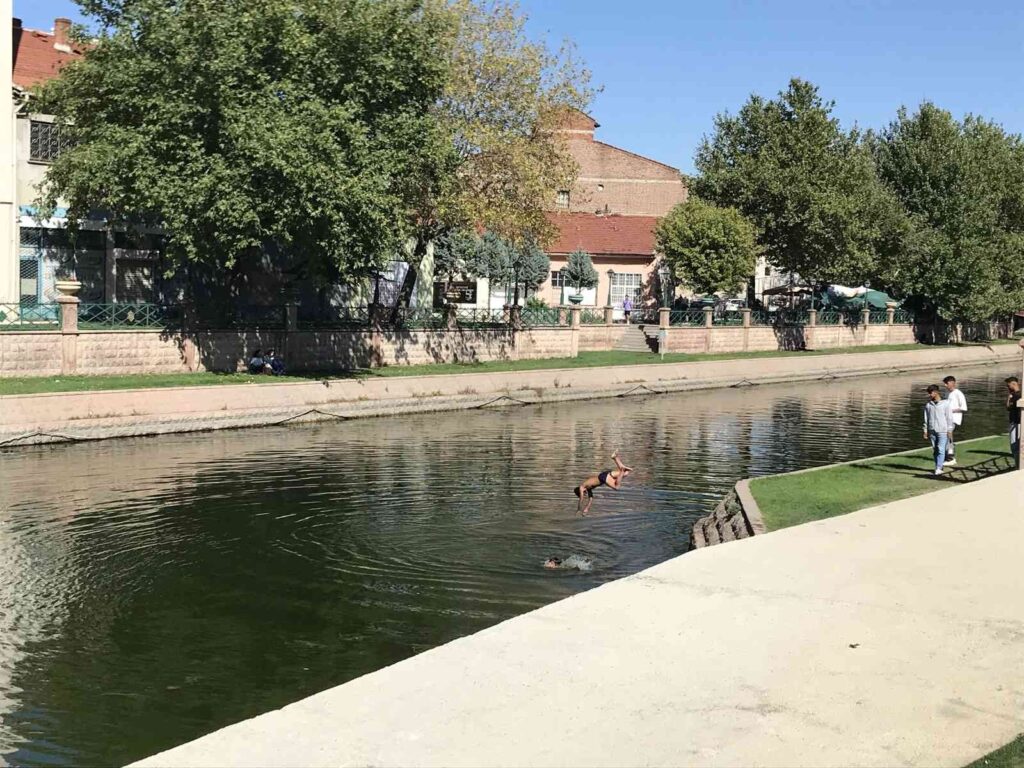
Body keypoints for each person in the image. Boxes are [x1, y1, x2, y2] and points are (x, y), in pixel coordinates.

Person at [922, 384, 953, 476]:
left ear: (936, 392)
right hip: (932, 430)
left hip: (942, 430)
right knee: (935, 449)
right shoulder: (928, 405)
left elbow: (949, 418)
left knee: (941, 449)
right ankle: (938, 466)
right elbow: (926, 418)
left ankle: (939, 468)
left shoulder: (945, 404)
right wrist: (925, 430)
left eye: (930, 393)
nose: (929, 395)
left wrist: (949, 430)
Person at [942, 375, 967, 465]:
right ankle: (948, 454)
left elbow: (964, 408)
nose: (945, 385)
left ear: (952, 383)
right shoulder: (948, 393)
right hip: (947, 418)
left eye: (946, 383)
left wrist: (951, 410)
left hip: (954, 418)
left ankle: (951, 456)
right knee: (946, 435)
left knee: (949, 434)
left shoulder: (958, 393)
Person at [1007, 376, 1021, 468]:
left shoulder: (1018, 396)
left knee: (1015, 446)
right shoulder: (1013, 395)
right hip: (1013, 422)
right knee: (1014, 446)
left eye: (1008, 386)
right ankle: (1017, 465)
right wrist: (1009, 398)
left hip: (1017, 423)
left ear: (1014, 384)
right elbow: (1008, 408)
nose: (1008, 388)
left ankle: (1018, 466)